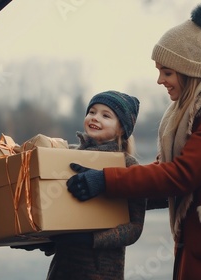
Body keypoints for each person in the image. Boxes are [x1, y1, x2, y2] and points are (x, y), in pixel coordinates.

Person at [66, 3, 201, 280]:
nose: (160, 80)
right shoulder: (182, 111)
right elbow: (161, 177)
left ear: (187, 70)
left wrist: (106, 181)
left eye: (167, 72)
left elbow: (182, 174)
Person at [44, 90, 146, 279]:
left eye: (105, 115)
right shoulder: (66, 155)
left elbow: (134, 228)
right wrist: (45, 239)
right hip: (61, 270)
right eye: (92, 112)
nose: (95, 118)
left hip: (101, 272)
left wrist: (90, 239)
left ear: (122, 128)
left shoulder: (127, 165)